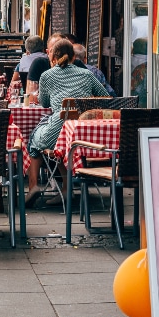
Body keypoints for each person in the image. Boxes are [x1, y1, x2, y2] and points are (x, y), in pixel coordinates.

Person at [27, 37, 112, 200]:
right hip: (82, 133)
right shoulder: (87, 74)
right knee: (61, 142)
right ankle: (66, 190)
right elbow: (105, 97)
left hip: (59, 129)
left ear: (53, 57)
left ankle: (33, 187)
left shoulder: (47, 75)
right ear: (74, 56)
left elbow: (44, 104)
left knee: (34, 141)